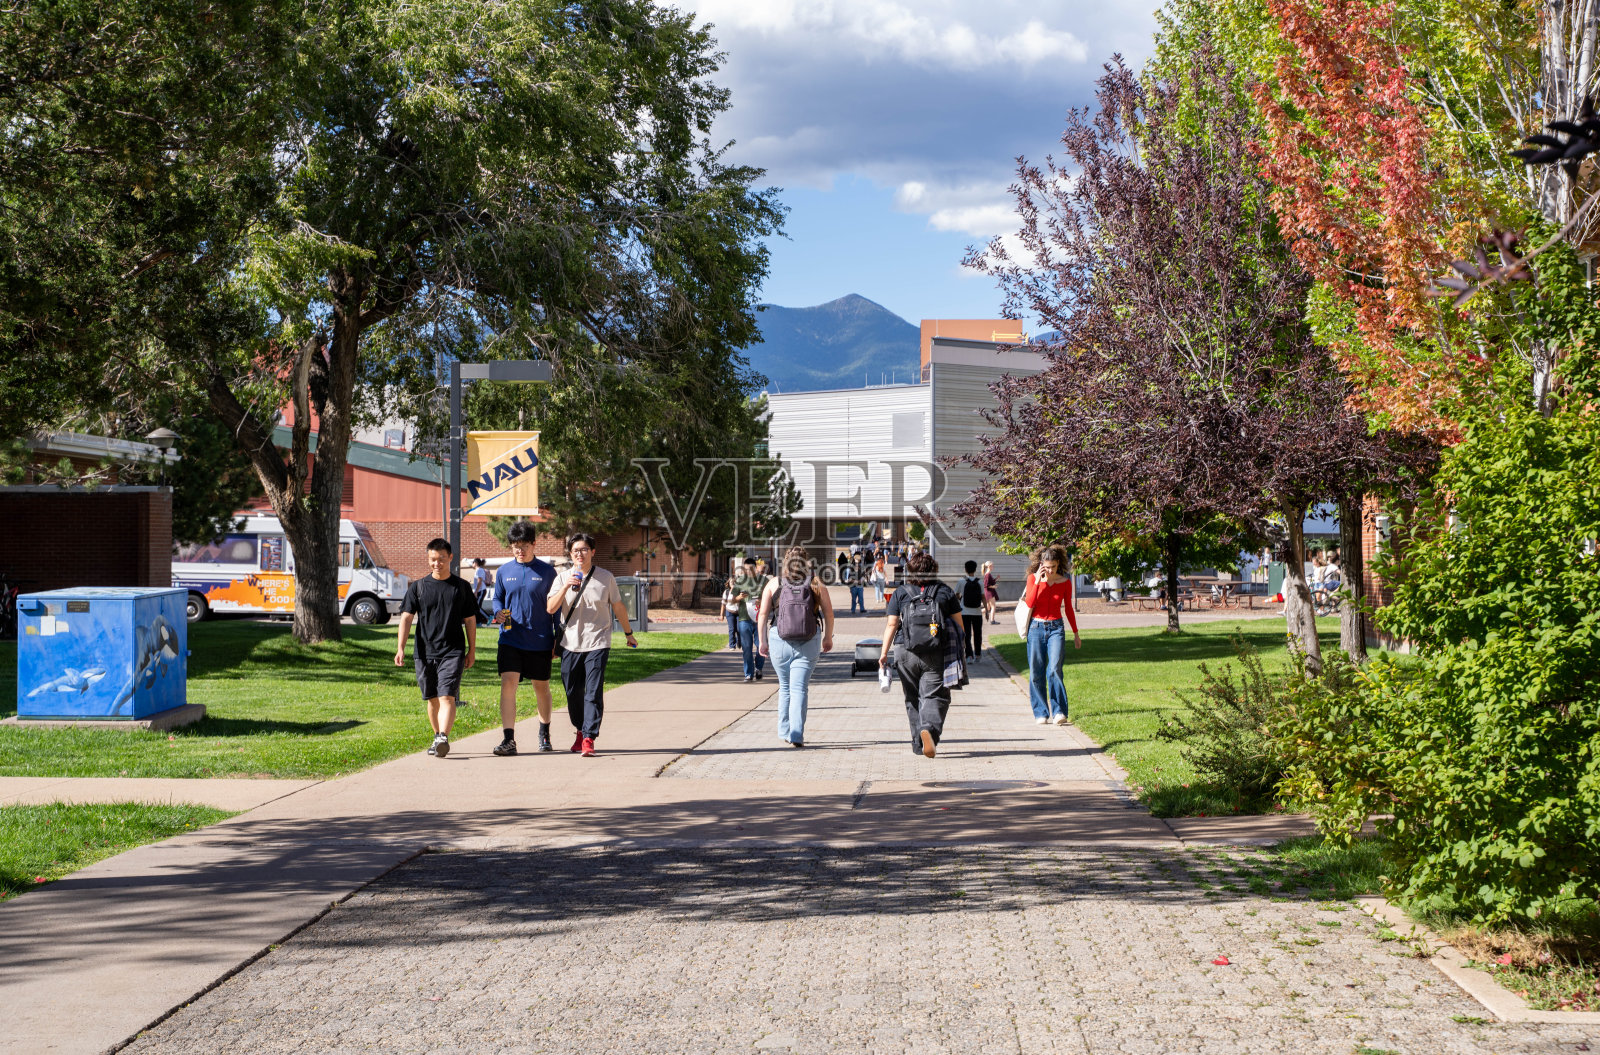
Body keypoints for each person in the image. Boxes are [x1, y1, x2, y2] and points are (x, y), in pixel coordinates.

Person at [545, 532, 637, 756]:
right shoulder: (561, 578)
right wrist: (566, 586)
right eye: (576, 550)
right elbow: (550, 608)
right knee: (572, 691)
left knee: (593, 691)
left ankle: (588, 737)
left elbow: (618, 606)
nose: (580, 553)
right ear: (570, 553)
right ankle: (579, 729)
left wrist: (628, 633)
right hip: (570, 643)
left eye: (584, 549)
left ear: (592, 552)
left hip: (598, 641)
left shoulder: (605, 577)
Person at [393, 538, 477, 759]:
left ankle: (443, 738)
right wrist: (400, 648)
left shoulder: (461, 587)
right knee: (431, 699)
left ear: (450, 557)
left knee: (447, 696)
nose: (437, 563)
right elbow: (406, 619)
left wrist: (472, 650)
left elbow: (470, 620)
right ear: (428, 559)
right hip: (424, 652)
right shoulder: (418, 588)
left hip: (453, 650)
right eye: (433, 559)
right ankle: (437, 736)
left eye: (441, 558)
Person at [878, 551, 963, 759]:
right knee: (935, 695)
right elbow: (959, 626)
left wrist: (883, 653)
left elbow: (892, 624)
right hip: (935, 651)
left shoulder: (901, 593)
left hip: (904, 651)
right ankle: (930, 730)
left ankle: (918, 743)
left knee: (912, 697)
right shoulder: (945, 591)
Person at [490, 520, 559, 755]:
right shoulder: (504, 571)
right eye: (514, 546)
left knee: (541, 687)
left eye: (523, 545)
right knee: (508, 683)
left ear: (533, 544)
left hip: (540, 639)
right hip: (510, 638)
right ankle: (508, 739)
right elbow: (498, 598)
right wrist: (497, 611)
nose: (519, 550)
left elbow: (557, 608)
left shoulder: (548, 572)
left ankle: (544, 733)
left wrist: (557, 637)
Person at [757, 545, 835, 746]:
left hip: (778, 638)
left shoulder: (774, 583)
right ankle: (797, 734)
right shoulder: (816, 583)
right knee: (799, 688)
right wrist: (828, 638)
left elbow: (763, 614)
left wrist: (763, 641)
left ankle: (784, 731)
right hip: (809, 640)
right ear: (806, 562)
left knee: (784, 688)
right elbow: (828, 613)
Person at [1021, 545, 1081, 726]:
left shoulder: (1065, 582)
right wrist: (1039, 581)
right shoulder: (1033, 579)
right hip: (1035, 628)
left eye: (1053, 566)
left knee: (1055, 669)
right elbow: (1030, 602)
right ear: (1041, 565)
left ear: (1058, 564)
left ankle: (1059, 711)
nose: (1050, 570)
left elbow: (1069, 609)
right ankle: (1041, 712)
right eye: (1047, 566)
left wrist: (1076, 634)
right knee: (1036, 672)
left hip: (1056, 628)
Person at [958, 559, 985, 660]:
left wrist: (960, 599)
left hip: (964, 612)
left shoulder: (961, 582)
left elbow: (956, 595)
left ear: (965, 569)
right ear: (975, 569)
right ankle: (978, 654)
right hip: (977, 612)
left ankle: (969, 655)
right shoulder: (980, 582)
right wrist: (986, 610)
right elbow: (983, 597)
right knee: (978, 634)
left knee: (967, 634)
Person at [721, 573, 741, 651]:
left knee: (739, 629)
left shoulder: (740, 592)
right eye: (731, 583)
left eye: (735, 582)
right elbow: (723, 604)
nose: (733, 584)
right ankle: (732, 645)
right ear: (729, 583)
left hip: (739, 612)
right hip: (730, 612)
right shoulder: (726, 592)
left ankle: (740, 642)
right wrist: (721, 615)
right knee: (732, 629)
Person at [471, 557, 494, 622]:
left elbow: (480, 580)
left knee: (477, 607)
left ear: (475, 563)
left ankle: (489, 617)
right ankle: (478, 622)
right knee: (476, 607)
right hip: (479, 590)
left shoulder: (479, 570)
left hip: (481, 590)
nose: (472, 564)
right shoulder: (478, 570)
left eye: (473, 563)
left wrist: (476, 591)